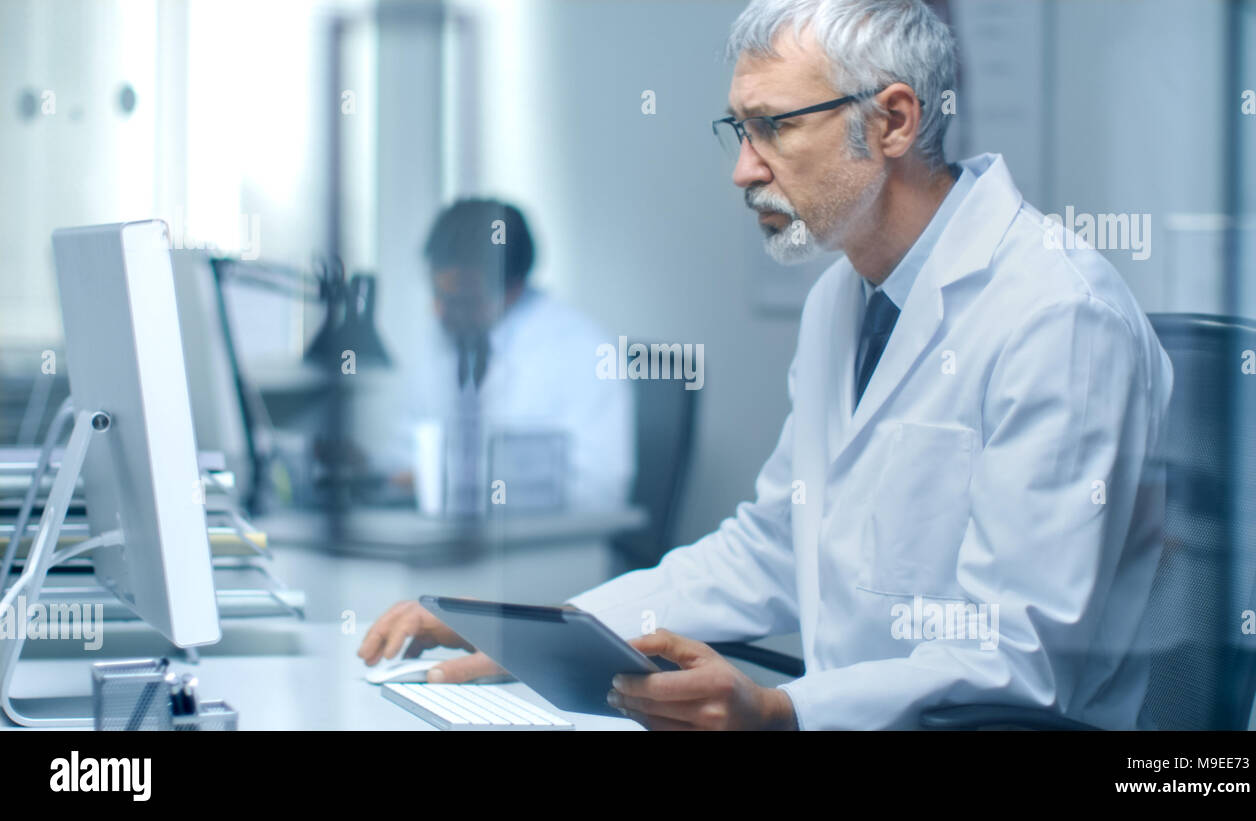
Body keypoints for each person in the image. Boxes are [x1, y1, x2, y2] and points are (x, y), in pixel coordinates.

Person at [360, 0, 1174, 730]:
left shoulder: (1057, 316)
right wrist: (541, 633)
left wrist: (783, 710)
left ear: (892, 122)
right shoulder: (841, 298)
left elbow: (1019, 658)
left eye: (775, 128)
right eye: (739, 132)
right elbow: (771, 547)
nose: (744, 170)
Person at [387, 198, 634, 512]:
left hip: (551, 550)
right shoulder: (445, 335)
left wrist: (466, 484)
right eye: (437, 294)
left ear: (513, 288)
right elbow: (405, 449)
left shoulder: (583, 351)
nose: (439, 311)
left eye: (461, 298)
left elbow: (599, 491)